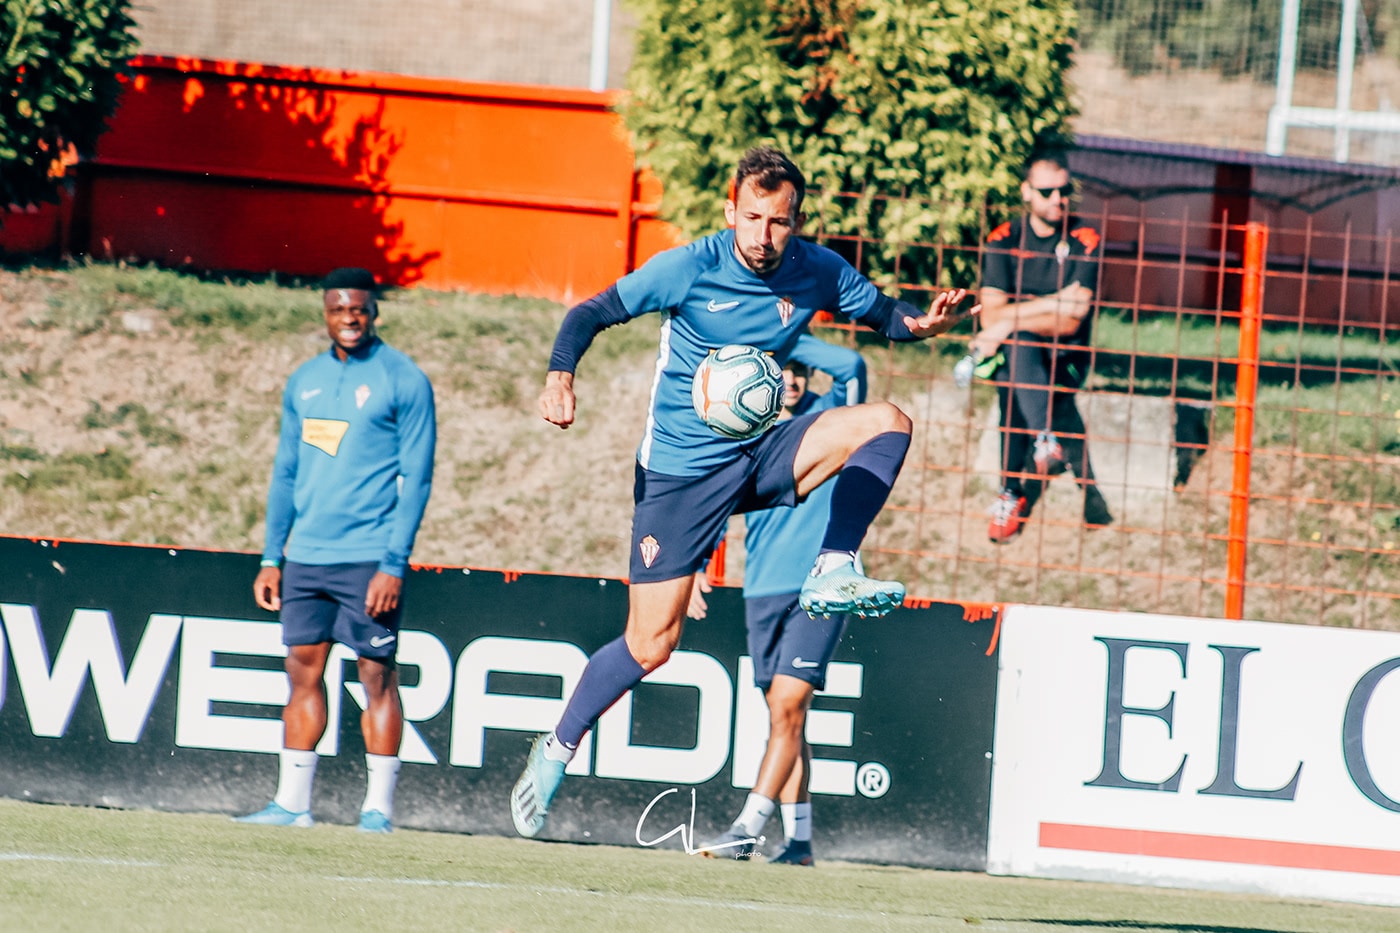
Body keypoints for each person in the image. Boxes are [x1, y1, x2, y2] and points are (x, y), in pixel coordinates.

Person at [509, 146, 976, 840]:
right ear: (730, 210)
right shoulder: (690, 266)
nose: (763, 234)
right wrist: (560, 375)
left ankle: (833, 565)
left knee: (888, 423)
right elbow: (592, 311)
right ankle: (556, 747)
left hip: (759, 454)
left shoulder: (816, 269)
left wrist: (924, 325)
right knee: (651, 643)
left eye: (778, 221)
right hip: (680, 478)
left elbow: (885, 315)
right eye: (751, 217)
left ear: (796, 220)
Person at [234, 267, 436, 833]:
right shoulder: (305, 381)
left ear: (374, 312)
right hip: (306, 558)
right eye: (338, 309)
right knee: (302, 671)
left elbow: (417, 480)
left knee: (376, 674)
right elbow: (287, 472)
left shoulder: (404, 380)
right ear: (325, 314)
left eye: (359, 308)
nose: (350, 317)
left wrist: (392, 563)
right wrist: (272, 555)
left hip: (369, 558)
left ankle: (379, 811)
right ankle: (292, 804)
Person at [688, 333, 866, 866]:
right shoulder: (744, 428)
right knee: (787, 721)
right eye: (777, 369)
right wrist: (699, 564)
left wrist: (785, 337)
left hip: (823, 586)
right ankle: (801, 845)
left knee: (788, 707)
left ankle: (746, 829)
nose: (789, 379)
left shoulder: (833, 416)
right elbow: (717, 501)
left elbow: (852, 362)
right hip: (762, 589)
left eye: (796, 371)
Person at [969, 148, 1114, 543]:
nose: (1058, 199)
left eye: (1065, 191)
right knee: (1016, 352)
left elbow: (1072, 318)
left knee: (1013, 355)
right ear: (1027, 192)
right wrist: (1051, 303)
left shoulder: (1085, 239)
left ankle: (1010, 492)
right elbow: (990, 317)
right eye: (1047, 191)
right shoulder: (1004, 238)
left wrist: (1013, 318)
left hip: (1066, 359)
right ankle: (1045, 440)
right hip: (1020, 358)